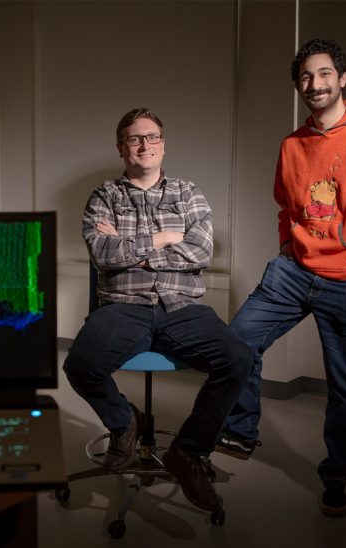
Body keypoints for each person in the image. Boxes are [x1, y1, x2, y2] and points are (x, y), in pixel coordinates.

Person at [217, 39, 346, 517]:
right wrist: (287, 246)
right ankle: (240, 432)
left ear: (342, 78)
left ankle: (336, 475)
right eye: (305, 77)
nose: (314, 84)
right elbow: (286, 204)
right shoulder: (293, 144)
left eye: (324, 74)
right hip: (294, 272)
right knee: (237, 342)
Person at [63, 107, 253, 513]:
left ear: (163, 144)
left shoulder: (188, 193)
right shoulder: (105, 196)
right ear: (121, 147)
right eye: (135, 138)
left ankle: (187, 453)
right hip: (123, 306)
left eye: (152, 137)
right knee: (80, 364)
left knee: (238, 358)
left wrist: (134, 249)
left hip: (181, 306)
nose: (144, 144)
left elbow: (200, 249)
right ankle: (125, 422)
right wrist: (165, 238)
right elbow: (102, 253)